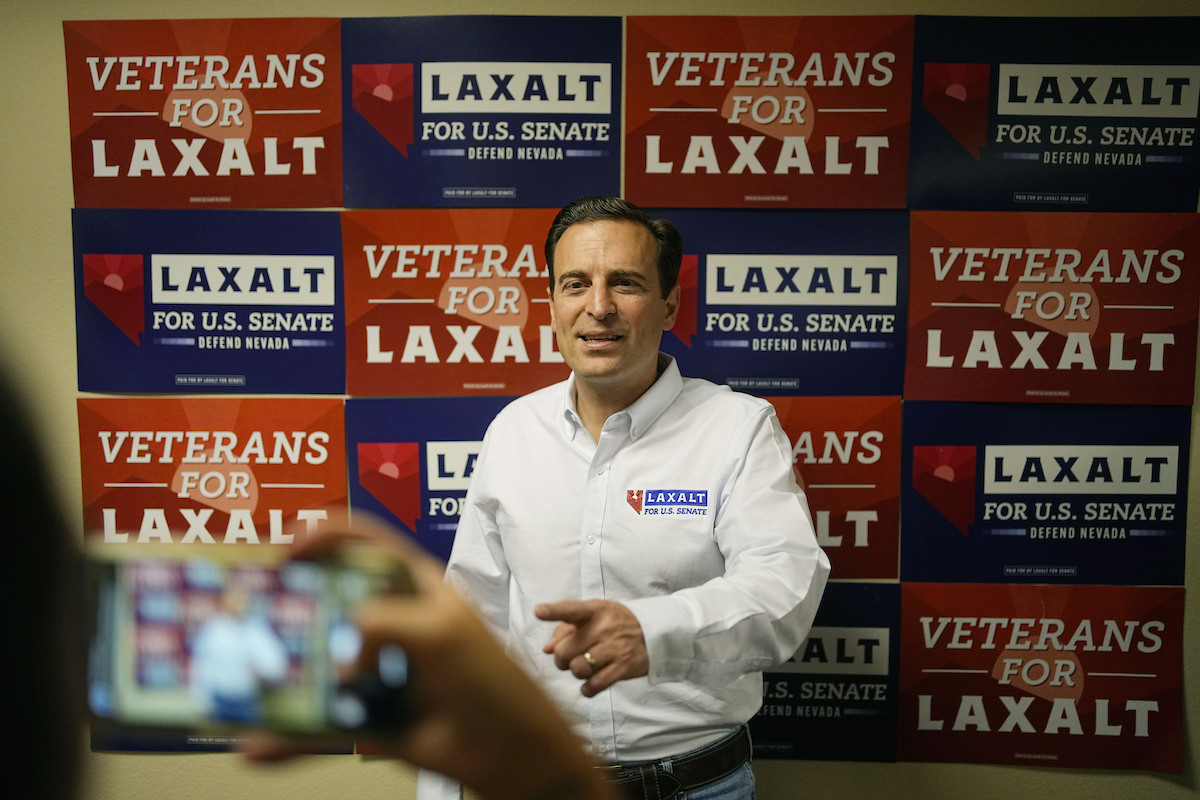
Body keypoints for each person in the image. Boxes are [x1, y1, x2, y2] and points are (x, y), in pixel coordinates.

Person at [423, 196, 831, 800]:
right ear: (552, 305)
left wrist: (653, 630)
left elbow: (784, 588)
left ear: (669, 304)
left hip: (697, 786)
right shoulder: (513, 430)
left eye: (626, 283)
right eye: (575, 284)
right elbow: (472, 620)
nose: (599, 307)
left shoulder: (738, 427)